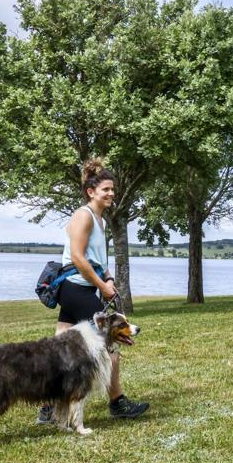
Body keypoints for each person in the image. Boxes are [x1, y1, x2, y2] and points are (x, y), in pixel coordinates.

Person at [36, 159, 148, 424]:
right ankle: (117, 403)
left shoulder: (100, 220)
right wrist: (102, 287)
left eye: (113, 190)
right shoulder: (83, 216)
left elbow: (95, 257)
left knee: (59, 350)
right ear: (91, 191)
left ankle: (47, 408)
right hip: (76, 288)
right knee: (109, 344)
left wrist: (107, 275)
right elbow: (76, 257)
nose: (111, 194)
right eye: (106, 189)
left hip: (82, 287)